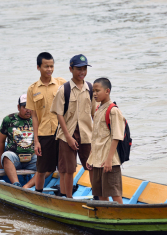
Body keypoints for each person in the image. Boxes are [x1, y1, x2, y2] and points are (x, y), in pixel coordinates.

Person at [50, 54, 97, 198]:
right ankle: (69, 199)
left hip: (86, 133)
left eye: (84, 68)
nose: (82, 72)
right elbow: (59, 114)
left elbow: (94, 113)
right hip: (66, 134)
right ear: (71, 69)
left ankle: (96, 196)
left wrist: (99, 134)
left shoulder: (90, 88)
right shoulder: (64, 90)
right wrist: (69, 137)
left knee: (92, 166)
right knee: (69, 169)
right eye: (78, 69)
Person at [26, 52, 67, 194]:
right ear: (38, 67)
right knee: (41, 168)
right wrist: (36, 141)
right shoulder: (33, 89)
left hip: (61, 132)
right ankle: (38, 193)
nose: (49, 69)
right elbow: (34, 117)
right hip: (44, 133)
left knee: (63, 167)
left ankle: (63, 195)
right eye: (46, 66)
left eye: (52, 66)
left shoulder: (61, 83)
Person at [86, 78, 125, 204]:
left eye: (98, 90)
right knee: (100, 193)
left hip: (109, 161)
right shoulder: (98, 110)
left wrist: (109, 160)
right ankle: (107, 216)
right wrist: (90, 157)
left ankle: (121, 217)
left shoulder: (113, 111)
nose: (95, 94)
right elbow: (96, 137)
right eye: (93, 91)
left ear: (107, 91)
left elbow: (117, 136)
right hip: (97, 161)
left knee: (114, 192)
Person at [0, 94, 37, 188]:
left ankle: (27, 186)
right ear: (18, 107)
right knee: (6, 156)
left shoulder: (37, 119)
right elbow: (1, 141)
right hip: (15, 158)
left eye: (30, 107)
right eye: (25, 107)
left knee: (48, 165)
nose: (28, 110)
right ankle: (16, 184)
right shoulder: (9, 119)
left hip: (32, 158)